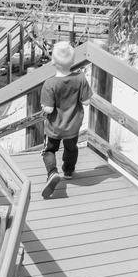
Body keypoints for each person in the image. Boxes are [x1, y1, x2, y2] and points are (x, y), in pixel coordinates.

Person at [40, 41, 91, 199]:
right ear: (73, 61)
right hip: (73, 126)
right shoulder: (80, 78)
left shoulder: (50, 84)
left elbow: (48, 108)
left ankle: (52, 172)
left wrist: (44, 106)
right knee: (71, 148)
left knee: (49, 150)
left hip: (54, 127)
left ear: (53, 62)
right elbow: (86, 101)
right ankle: (68, 171)